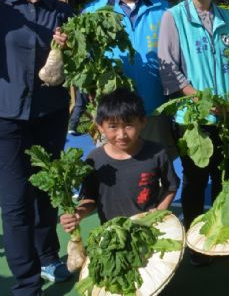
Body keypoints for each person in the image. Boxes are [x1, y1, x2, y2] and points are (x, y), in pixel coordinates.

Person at [0, 0, 74, 292]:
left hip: (51, 113)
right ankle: (26, 282)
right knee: (15, 202)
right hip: (7, 117)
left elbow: (74, 64)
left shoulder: (61, 12)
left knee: (47, 191)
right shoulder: (1, 6)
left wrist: (69, 47)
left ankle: (48, 255)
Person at [157, 0, 229, 265]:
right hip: (194, 118)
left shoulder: (227, 17)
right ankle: (195, 240)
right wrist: (201, 100)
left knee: (224, 178)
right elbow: (169, 69)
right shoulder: (173, 17)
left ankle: (219, 235)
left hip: (228, 116)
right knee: (195, 180)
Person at [78, 0, 172, 153]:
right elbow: (84, 69)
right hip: (111, 121)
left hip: (156, 115)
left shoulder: (165, 11)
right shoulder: (90, 14)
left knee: (156, 180)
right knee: (114, 183)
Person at [59, 89, 179, 229]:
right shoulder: (95, 159)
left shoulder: (156, 153)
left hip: (148, 229)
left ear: (143, 122)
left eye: (128, 125)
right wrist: (78, 213)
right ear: (100, 127)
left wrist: (159, 210)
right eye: (113, 127)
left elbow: (171, 187)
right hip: (112, 233)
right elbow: (90, 198)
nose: (121, 134)